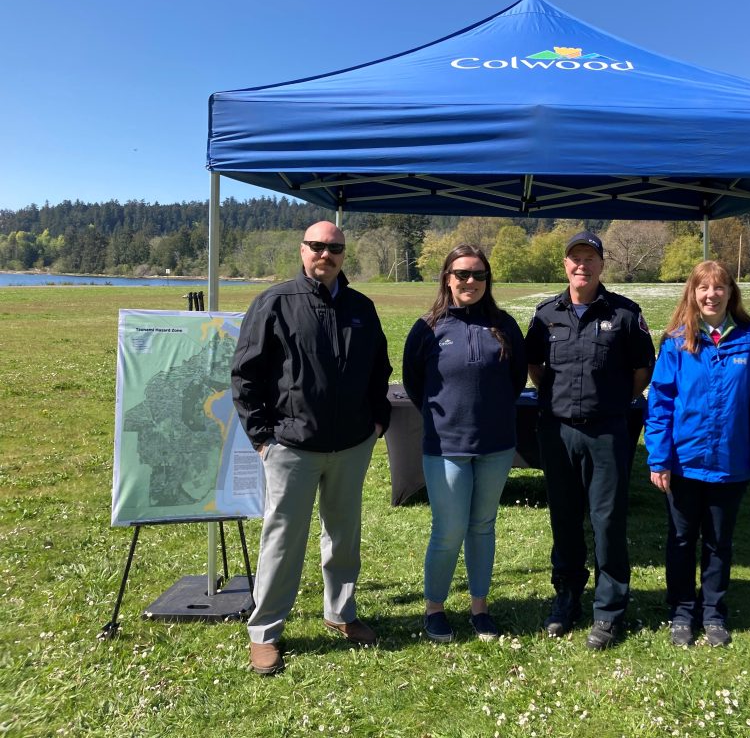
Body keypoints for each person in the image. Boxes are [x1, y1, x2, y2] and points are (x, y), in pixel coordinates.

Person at [231, 220, 392, 675]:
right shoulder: (275, 302)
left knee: (343, 535)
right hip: (292, 447)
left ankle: (340, 614)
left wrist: (377, 420)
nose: (326, 254)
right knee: (283, 539)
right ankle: (265, 632)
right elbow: (245, 374)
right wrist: (263, 438)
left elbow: (379, 368)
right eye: (317, 246)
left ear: (344, 254)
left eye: (335, 248)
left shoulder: (362, 306)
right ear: (302, 250)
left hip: (351, 444)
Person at [524, 231, 655, 650]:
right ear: (565, 265)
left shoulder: (625, 315)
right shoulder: (546, 316)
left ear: (602, 265)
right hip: (558, 431)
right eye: (574, 259)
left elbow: (641, 372)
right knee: (564, 518)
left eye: (590, 259)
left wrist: (613, 402)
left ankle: (609, 610)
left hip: (606, 432)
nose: (582, 265)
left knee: (607, 521)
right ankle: (566, 597)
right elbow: (536, 369)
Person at [644, 260, 750, 648]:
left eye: (719, 287)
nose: (711, 295)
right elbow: (661, 404)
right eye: (703, 288)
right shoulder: (676, 341)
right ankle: (682, 612)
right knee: (682, 540)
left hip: (729, 465)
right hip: (684, 465)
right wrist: (659, 457)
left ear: (730, 293)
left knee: (720, 542)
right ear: (693, 293)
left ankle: (714, 613)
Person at [402, 245, 527, 643]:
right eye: (461, 274)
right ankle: (435, 608)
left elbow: (517, 379)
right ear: (447, 277)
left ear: (487, 280)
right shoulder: (427, 328)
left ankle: (479, 607)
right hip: (446, 446)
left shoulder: (505, 325)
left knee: (483, 526)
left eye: (477, 274)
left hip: (496, 444)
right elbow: (413, 384)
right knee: (449, 529)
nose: (469, 281)